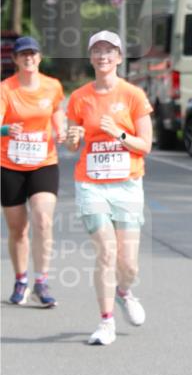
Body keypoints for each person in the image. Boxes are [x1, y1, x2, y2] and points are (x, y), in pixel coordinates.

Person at [66, 31, 153, 346]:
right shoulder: (79, 98)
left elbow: (145, 145)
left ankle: (124, 291)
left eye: (109, 51)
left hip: (127, 184)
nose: (103, 56)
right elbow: (72, 144)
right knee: (107, 251)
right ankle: (105, 322)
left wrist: (119, 134)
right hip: (91, 184)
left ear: (118, 58)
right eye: (97, 51)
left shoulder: (133, 96)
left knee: (128, 263)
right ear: (91, 58)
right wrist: (71, 139)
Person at [1, 36, 65, 307]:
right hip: (10, 164)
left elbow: (56, 111)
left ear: (39, 58)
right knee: (18, 229)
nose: (28, 58)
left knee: (42, 219)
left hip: (43, 161)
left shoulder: (53, 86)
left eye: (33, 54)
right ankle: (21, 279)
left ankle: (41, 281)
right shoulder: (6, 89)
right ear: (15, 59)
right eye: (23, 54)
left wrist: (60, 127)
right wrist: (6, 129)